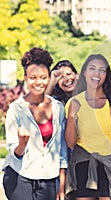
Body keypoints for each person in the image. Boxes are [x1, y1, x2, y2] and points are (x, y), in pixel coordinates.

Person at [2, 47, 68, 200]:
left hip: (49, 179)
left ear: (49, 78)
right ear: (25, 78)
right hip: (20, 176)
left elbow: (61, 149)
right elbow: (14, 152)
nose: (38, 82)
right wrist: (22, 144)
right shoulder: (16, 109)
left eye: (43, 77)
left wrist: (61, 186)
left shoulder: (58, 108)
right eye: (33, 77)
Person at [64, 54, 111, 200]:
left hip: (109, 165)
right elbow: (70, 143)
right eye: (92, 68)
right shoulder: (74, 102)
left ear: (106, 74)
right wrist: (71, 117)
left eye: (102, 70)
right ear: (84, 72)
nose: (97, 73)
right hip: (83, 163)